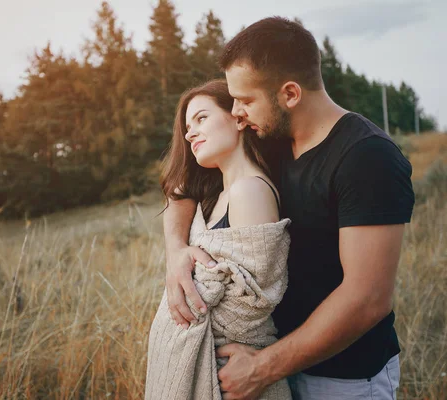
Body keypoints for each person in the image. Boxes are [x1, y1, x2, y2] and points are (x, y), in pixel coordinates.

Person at [163, 17, 414, 400]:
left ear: (290, 94)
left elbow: (368, 299)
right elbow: (180, 190)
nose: (237, 112)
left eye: (246, 100)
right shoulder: (271, 141)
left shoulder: (367, 158)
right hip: (269, 368)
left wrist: (262, 369)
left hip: (343, 380)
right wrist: (176, 253)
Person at [145, 79, 293, 399]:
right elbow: (177, 191)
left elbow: (249, 303)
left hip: (229, 376)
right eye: (187, 126)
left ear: (239, 118)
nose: (189, 133)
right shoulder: (220, 193)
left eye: (201, 118)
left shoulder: (248, 190)